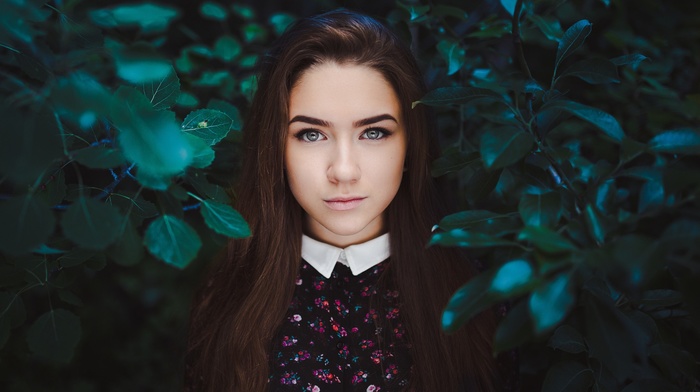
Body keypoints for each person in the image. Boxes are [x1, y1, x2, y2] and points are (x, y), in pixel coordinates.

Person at [185, 9, 503, 392]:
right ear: (275, 150)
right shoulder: (229, 296)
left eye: (373, 133)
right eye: (311, 135)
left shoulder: (476, 296)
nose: (344, 171)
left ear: (411, 146)